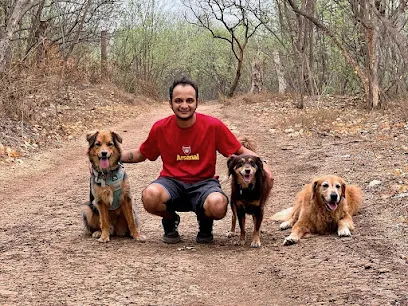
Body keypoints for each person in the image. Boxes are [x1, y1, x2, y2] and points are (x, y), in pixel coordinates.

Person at [121, 76, 273, 244]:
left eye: (189, 100)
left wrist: (264, 164)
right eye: (178, 100)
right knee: (150, 196)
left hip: (204, 183)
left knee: (218, 204)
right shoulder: (160, 128)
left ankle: (205, 222)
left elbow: (240, 150)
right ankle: (170, 220)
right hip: (171, 183)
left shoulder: (212, 126)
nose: (184, 105)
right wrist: (110, 158)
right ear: (170, 103)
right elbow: (141, 154)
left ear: (197, 102)